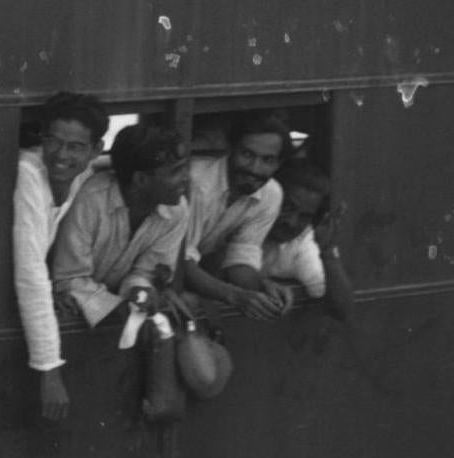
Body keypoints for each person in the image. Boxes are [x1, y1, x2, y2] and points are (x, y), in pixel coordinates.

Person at [13, 92, 107, 419]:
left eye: (76, 147)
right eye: (53, 141)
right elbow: (30, 274)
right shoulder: (28, 174)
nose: (61, 155)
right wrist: (49, 370)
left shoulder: (83, 169)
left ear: (96, 149)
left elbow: (107, 162)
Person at [50, 122, 192, 329]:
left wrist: (138, 291)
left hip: (117, 308)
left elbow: (147, 274)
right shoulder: (92, 200)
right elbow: (69, 278)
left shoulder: (177, 210)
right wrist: (121, 309)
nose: (187, 178)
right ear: (141, 179)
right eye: (175, 172)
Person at [181, 111, 289, 319]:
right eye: (247, 155)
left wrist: (263, 289)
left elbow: (240, 260)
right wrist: (236, 296)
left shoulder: (271, 194)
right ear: (230, 149)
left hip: (199, 277)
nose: (255, 168)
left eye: (267, 160)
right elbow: (180, 262)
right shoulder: (196, 184)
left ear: (278, 165)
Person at [261, 161, 353, 319]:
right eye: (287, 207)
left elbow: (342, 311)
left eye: (304, 216)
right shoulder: (246, 218)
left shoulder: (302, 243)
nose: (292, 222)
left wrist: (328, 251)